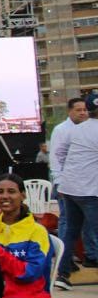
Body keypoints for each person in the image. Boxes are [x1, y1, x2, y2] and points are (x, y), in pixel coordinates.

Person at [53, 94, 98, 288]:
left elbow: (60, 153)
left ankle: (62, 275)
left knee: (70, 231)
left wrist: (62, 178)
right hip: (89, 190)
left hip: (70, 187)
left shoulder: (75, 130)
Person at [50, 96, 89, 271]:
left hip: (85, 185)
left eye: (85, 110)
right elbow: (56, 157)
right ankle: (65, 258)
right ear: (69, 111)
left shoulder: (87, 130)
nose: (82, 113)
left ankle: (86, 255)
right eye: (78, 110)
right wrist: (59, 181)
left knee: (85, 222)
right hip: (66, 184)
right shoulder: (62, 130)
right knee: (67, 221)